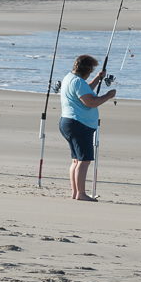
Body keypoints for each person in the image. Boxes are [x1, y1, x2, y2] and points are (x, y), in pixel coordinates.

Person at [59, 55, 116, 201]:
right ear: (86, 69)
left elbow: (85, 91)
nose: (91, 72)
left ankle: (75, 192)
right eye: (91, 70)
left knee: (76, 160)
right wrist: (108, 96)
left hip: (69, 122)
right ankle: (81, 194)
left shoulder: (70, 78)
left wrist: (98, 78)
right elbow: (90, 102)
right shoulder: (78, 82)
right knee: (84, 161)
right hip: (78, 124)